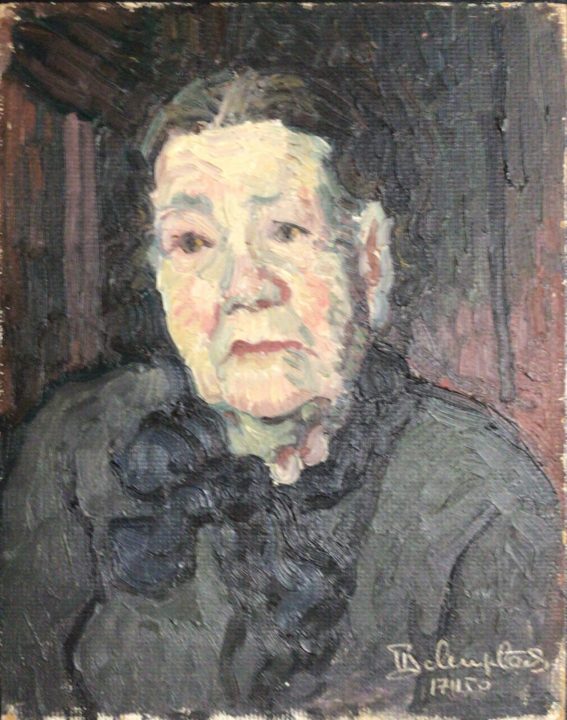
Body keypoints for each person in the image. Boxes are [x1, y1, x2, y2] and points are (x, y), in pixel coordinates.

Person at [1, 69, 561, 719]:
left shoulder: (483, 491)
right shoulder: (76, 440)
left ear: (369, 257)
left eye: (286, 231)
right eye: (192, 242)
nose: (243, 286)